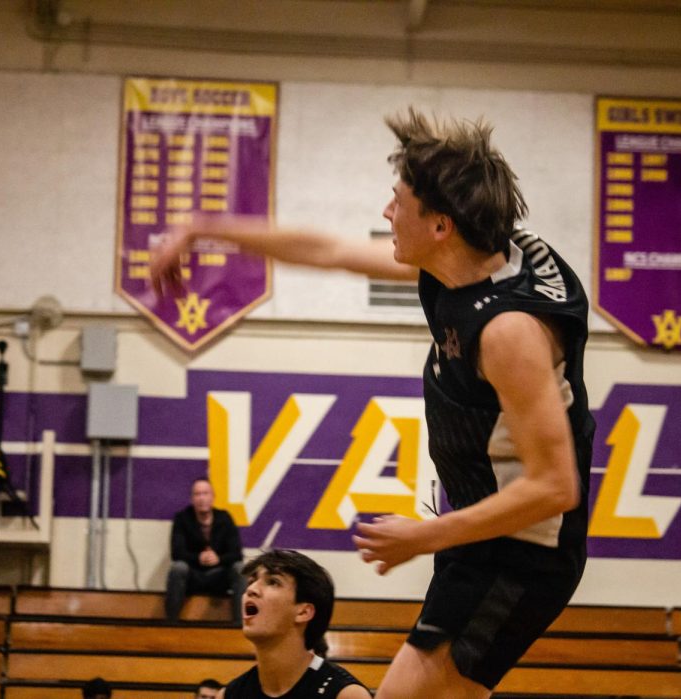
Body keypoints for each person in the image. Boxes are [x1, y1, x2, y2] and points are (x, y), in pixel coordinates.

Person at [151, 109, 595, 698]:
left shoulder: (509, 333)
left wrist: (425, 536)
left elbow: (556, 486)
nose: (386, 212)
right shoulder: (459, 261)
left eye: (398, 200)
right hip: (481, 535)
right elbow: (328, 249)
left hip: (522, 553)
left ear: (440, 225)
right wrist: (204, 226)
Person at [217, 549, 371, 699]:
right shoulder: (229, 695)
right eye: (251, 581)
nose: (251, 589)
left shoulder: (345, 694)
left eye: (273, 582)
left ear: (303, 612)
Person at [165, 477, 246, 623]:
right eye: (197, 494)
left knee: (240, 569)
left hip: (219, 577)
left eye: (205, 493)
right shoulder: (182, 519)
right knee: (178, 568)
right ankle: (171, 623)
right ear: (192, 499)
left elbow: (237, 554)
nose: (202, 498)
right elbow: (176, 553)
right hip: (193, 576)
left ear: (213, 497)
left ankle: (240, 625)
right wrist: (198, 558)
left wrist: (219, 559)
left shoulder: (225, 518)